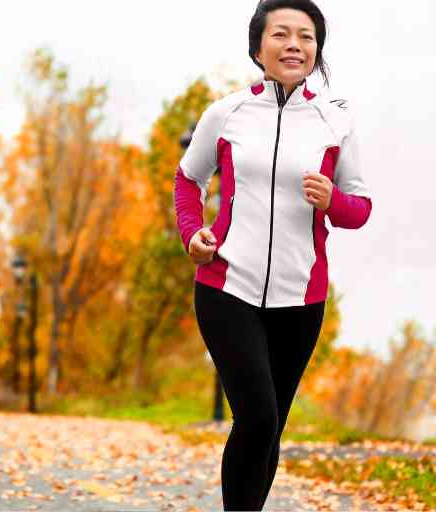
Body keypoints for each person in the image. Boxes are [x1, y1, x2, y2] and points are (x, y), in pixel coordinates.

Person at [173, 0, 372, 510]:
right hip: (226, 286)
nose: (294, 45)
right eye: (281, 34)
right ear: (258, 47)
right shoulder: (228, 112)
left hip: (301, 296)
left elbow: (359, 208)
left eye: (306, 37)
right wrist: (192, 233)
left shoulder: (335, 122)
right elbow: (188, 178)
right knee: (257, 416)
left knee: (271, 428)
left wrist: (333, 201)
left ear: (317, 50)